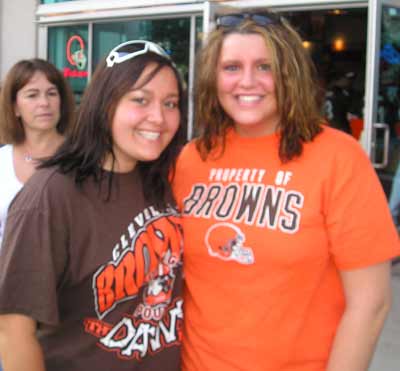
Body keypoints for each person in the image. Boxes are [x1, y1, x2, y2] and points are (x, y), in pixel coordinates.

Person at [172, 10, 400, 371]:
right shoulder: (191, 158)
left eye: (265, 67)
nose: (247, 81)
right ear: (212, 79)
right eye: (231, 67)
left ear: (288, 74)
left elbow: (370, 304)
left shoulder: (337, 157)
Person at [0, 40, 185, 370]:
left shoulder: (165, 177)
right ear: (105, 104)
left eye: (170, 103)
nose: (159, 117)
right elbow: (14, 331)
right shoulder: (51, 195)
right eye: (140, 100)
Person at [0, 58, 75, 248]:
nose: (44, 103)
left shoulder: (81, 158)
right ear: (15, 107)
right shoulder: (2, 162)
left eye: (51, 93)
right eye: (32, 95)